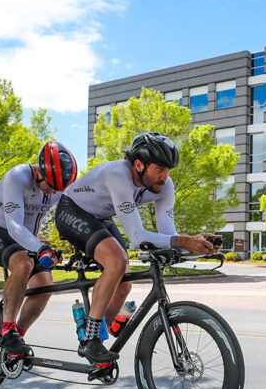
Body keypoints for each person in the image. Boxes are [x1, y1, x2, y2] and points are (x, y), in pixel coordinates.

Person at [55, 132, 221, 363]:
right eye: (159, 169)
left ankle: (95, 338)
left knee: (124, 286)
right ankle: (90, 340)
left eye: (168, 170)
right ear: (139, 165)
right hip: (71, 210)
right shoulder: (118, 175)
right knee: (117, 261)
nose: (164, 177)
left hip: (101, 216)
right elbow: (137, 237)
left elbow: (167, 235)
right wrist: (185, 241)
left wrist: (195, 245)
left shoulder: (165, 186)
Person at [0, 141, 77, 356]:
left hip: (24, 238)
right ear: (39, 170)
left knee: (45, 284)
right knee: (23, 263)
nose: (52, 193)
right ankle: (7, 330)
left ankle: (16, 338)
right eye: (50, 185)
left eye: (58, 189)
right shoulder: (18, 177)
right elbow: (14, 226)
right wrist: (40, 249)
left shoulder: (57, 187)